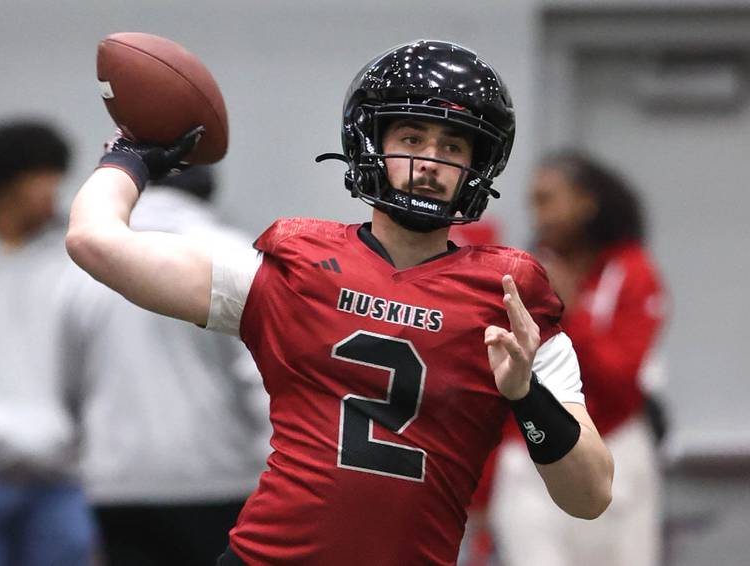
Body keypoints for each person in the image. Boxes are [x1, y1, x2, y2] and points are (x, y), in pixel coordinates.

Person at [66, 40, 614, 566]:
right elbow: (95, 242)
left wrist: (527, 394)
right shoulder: (294, 270)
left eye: (452, 146)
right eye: (412, 138)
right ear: (371, 141)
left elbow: (589, 496)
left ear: (478, 164)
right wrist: (129, 159)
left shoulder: (510, 304)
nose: (429, 162)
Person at [72, 166, 270, 566]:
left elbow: (65, 379)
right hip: (217, 478)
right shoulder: (234, 255)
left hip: (115, 480)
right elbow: (263, 376)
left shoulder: (81, 264)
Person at [490, 151, 668, 566]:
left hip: (616, 445)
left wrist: (574, 310)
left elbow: (620, 378)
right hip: (532, 451)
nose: (539, 215)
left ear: (586, 203)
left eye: (547, 200)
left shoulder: (632, 271)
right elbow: (502, 375)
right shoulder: (525, 273)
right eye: (533, 202)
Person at [0, 120, 94, 565]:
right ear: (2, 185)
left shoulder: (77, 272)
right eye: (39, 177)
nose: (52, 190)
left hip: (61, 478)